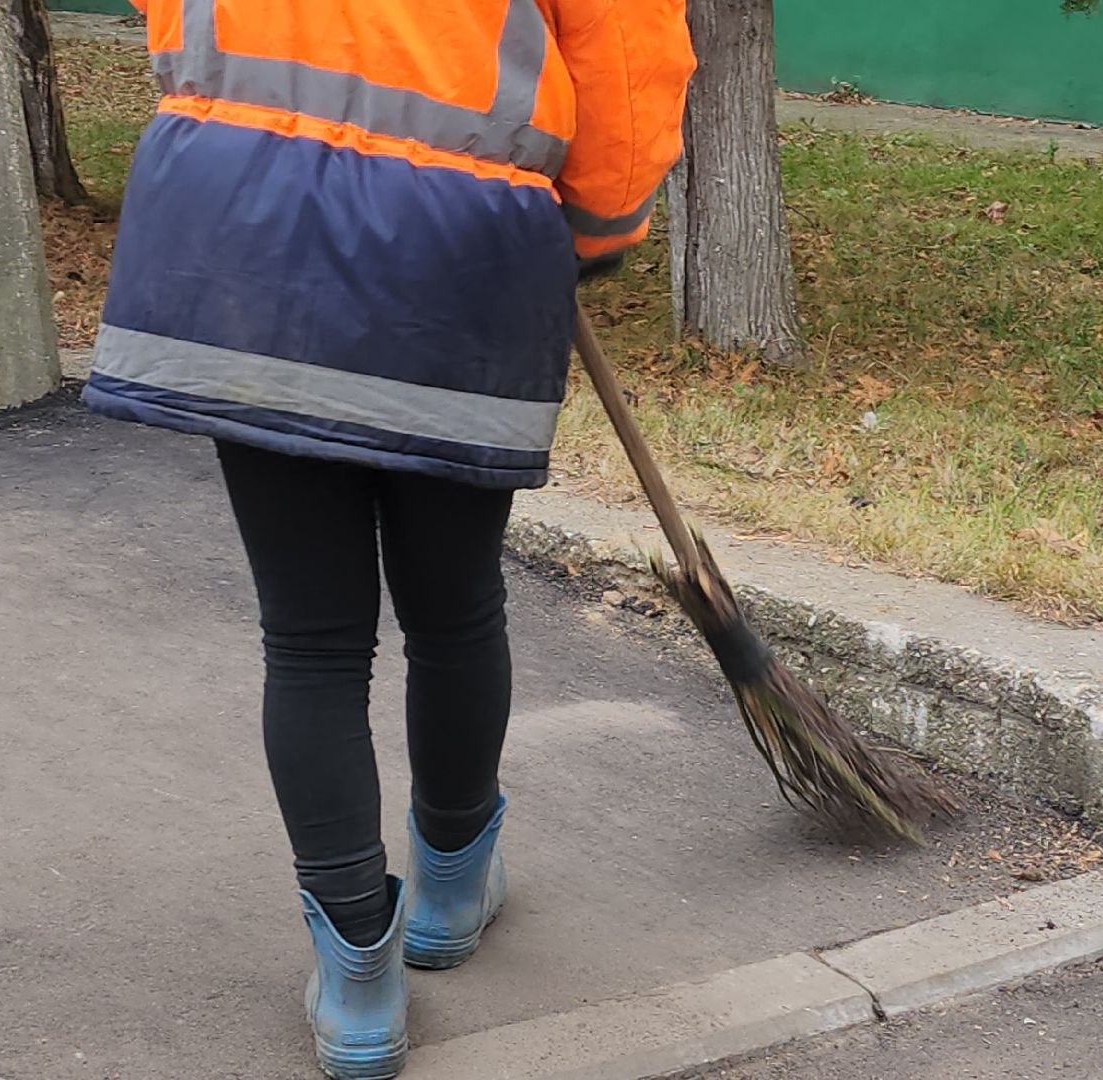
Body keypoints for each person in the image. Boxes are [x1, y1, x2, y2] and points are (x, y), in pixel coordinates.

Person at [82, 1, 694, 1076]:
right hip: (458, 239)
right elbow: (630, 52)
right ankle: (451, 891)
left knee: (311, 638)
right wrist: (595, 231)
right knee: (454, 604)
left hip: (239, 214)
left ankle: (359, 978)